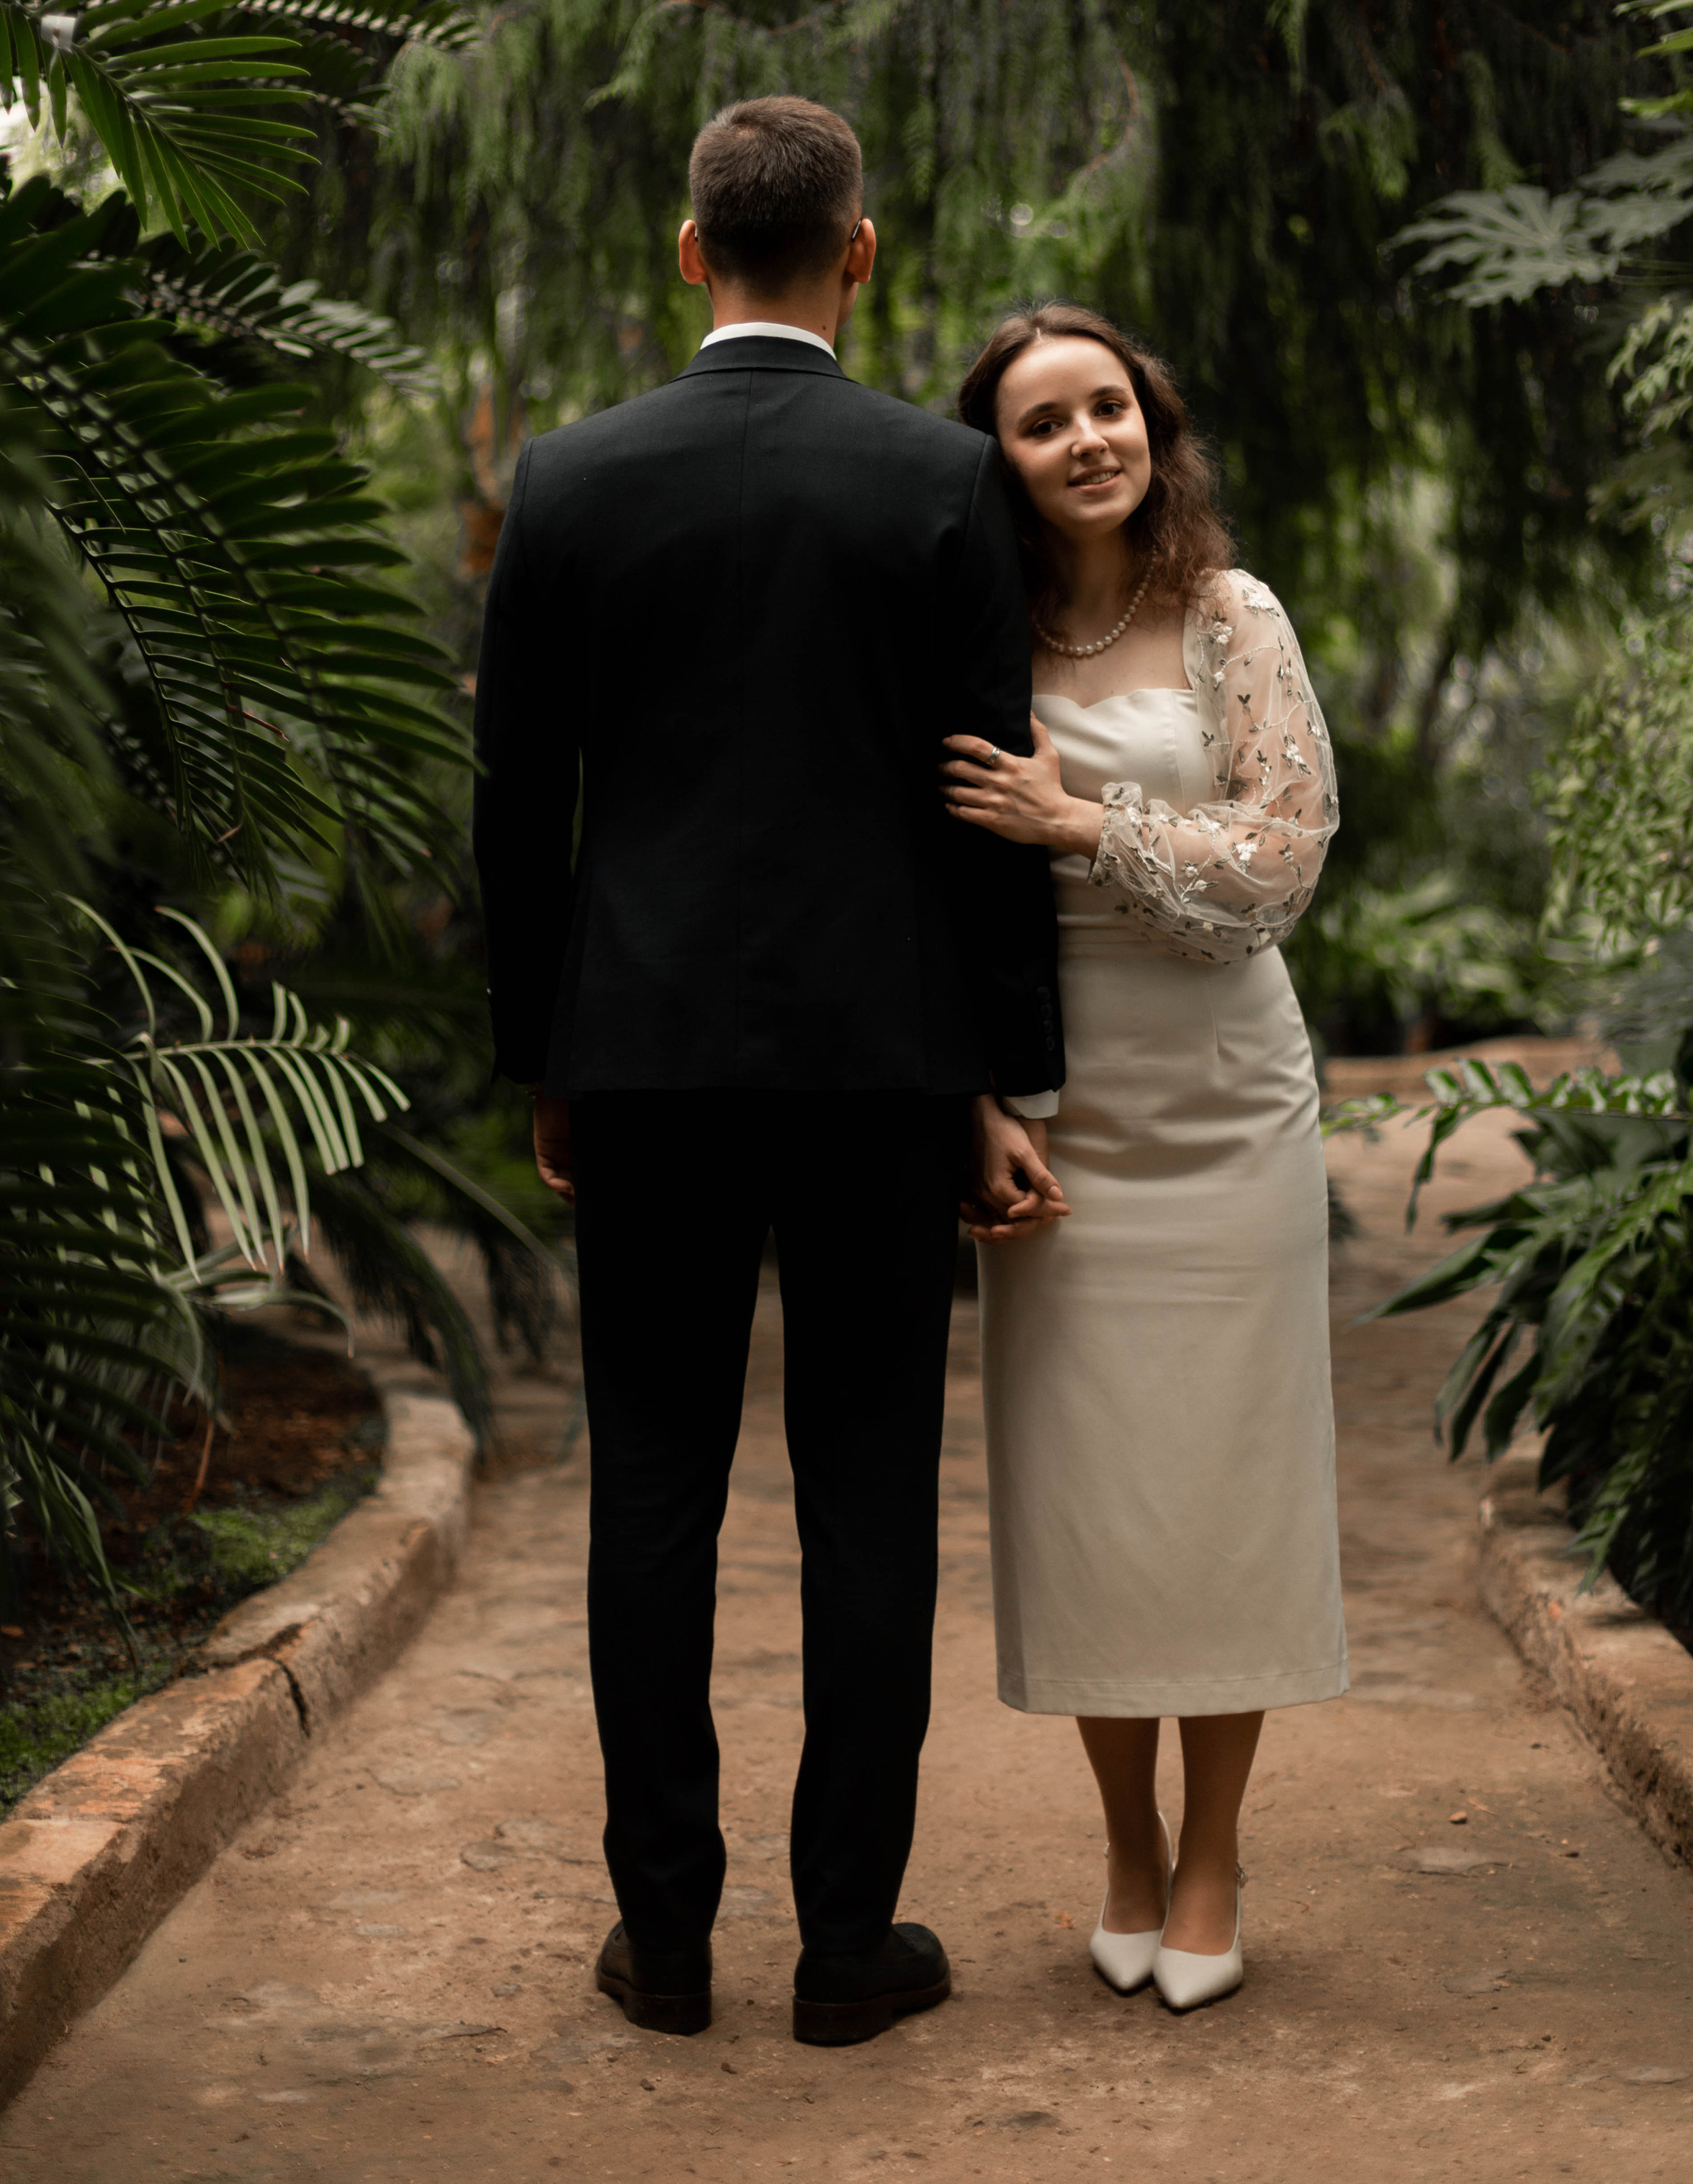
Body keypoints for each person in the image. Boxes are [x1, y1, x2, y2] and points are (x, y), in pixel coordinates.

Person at [471, 99, 1066, 2048]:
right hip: (884, 1069)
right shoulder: (945, 481)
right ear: (862, 252)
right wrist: (1005, 1084)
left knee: (648, 1492)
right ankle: (842, 1949)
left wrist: (541, 1055)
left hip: (639, 1057)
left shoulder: (570, 479)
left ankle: (664, 1945)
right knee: (868, 1497)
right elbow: (993, 799)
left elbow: (515, 808)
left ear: (686, 250)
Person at [942, 303, 1347, 2014]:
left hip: (1230, 1101)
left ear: (1150, 426)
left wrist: (1080, 823)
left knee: (1227, 1494)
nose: (1087, 440)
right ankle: (1120, 1840)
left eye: (1107, 407)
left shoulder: (1225, 615)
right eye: (1044, 424)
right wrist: (975, 1098)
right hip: (1059, 1113)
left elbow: (1284, 854)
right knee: (1093, 1494)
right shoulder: (973, 633)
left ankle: (1212, 1857)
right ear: (1000, 459)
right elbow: (932, 894)